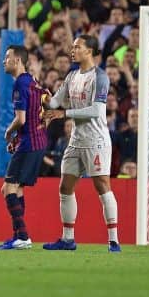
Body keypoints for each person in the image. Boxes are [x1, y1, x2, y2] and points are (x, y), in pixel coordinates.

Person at [42, 35, 121, 252]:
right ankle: (68, 239)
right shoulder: (72, 76)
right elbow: (55, 102)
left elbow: (96, 111)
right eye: (73, 46)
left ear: (90, 51)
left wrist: (63, 113)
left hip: (96, 140)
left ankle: (113, 239)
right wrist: (40, 94)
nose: (72, 50)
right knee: (65, 187)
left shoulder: (100, 77)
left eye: (77, 47)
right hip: (76, 140)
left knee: (102, 185)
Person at [0, 45, 47, 250]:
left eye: (7, 57)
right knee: (17, 189)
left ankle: (23, 236)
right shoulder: (33, 81)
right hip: (38, 140)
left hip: (30, 143)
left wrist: (9, 133)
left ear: (17, 61)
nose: (4, 61)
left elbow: (21, 119)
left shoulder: (19, 85)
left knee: (8, 188)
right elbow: (40, 112)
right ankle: (18, 236)